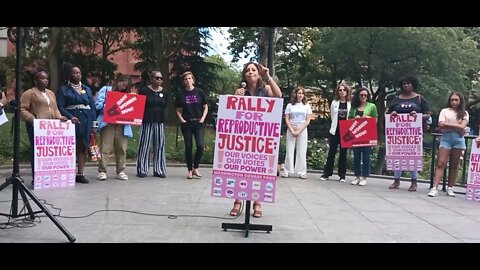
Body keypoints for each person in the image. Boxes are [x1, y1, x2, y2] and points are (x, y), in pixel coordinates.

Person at [230, 62, 282, 218]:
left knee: (258, 171)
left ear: (258, 74)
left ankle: (257, 203)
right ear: (244, 75)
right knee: (240, 169)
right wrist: (235, 98)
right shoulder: (240, 91)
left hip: (261, 137)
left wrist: (268, 77)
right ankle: (237, 202)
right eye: (247, 70)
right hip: (243, 136)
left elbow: (278, 96)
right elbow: (232, 113)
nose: (250, 72)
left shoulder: (264, 90)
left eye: (253, 70)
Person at [20, 68, 68, 182]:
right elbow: (22, 109)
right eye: (42, 78)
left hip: (50, 127)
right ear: (35, 80)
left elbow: (55, 109)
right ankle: (36, 177)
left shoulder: (50, 93)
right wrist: (33, 120)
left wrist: (61, 117)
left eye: (46, 78)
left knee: (49, 152)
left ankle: (48, 175)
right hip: (35, 126)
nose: (45, 80)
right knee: (37, 151)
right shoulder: (29, 93)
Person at [387, 75, 431, 191]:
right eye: (404, 83)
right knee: (398, 154)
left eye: (409, 83)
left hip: (414, 133)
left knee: (413, 155)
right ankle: (396, 180)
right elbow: (388, 113)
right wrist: (392, 114)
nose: (406, 85)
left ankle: (414, 182)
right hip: (398, 133)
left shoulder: (419, 98)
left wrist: (418, 116)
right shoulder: (396, 98)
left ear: (413, 85)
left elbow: (428, 114)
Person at [56, 63, 96, 184]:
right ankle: (68, 172)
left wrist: (94, 123)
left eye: (79, 73)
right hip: (72, 119)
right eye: (75, 73)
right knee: (70, 146)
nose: (78, 75)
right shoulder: (63, 89)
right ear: (69, 74)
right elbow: (60, 107)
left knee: (83, 146)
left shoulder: (86, 89)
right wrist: (70, 116)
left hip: (86, 118)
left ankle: (80, 173)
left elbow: (92, 106)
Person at [428, 92, 469, 197]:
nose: (454, 102)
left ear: (460, 101)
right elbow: (441, 125)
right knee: (441, 163)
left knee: (454, 164)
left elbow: (462, 126)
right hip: (446, 138)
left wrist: (448, 125)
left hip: (458, 140)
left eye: (456, 100)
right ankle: (435, 187)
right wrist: (458, 126)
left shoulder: (464, 113)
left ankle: (450, 187)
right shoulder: (445, 111)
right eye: (452, 100)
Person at [95, 74, 133, 181]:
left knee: (122, 148)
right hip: (108, 123)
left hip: (122, 124)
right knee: (105, 147)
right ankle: (102, 171)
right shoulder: (106, 90)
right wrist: (111, 105)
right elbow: (98, 105)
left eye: (127, 86)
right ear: (118, 81)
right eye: (123, 85)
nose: (124, 88)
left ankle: (121, 171)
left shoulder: (127, 95)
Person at [175, 71, 208, 179]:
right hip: (187, 123)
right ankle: (189, 170)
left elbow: (205, 106)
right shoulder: (181, 94)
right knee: (188, 147)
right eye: (185, 79)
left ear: (193, 80)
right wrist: (181, 119)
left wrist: (203, 118)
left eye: (189, 78)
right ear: (183, 82)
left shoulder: (199, 92)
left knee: (200, 146)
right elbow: (177, 109)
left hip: (198, 122)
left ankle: (196, 168)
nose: (188, 81)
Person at [136, 70, 169, 178]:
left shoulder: (165, 92)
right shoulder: (144, 91)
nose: (159, 80)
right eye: (157, 78)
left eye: (161, 78)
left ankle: (159, 170)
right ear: (151, 79)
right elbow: (138, 105)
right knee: (144, 145)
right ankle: (142, 169)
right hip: (146, 121)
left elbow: (165, 105)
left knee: (160, 145)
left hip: (159, 121)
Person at [320, 83, 351, 182]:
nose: (342, 92)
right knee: (332, 152)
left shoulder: (350, 103)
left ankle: (342, 175)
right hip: (335, 129)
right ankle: (327, 173)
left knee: (343, 153)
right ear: (338, 91)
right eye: (340, 90)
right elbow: (333, 116)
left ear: (347, 92)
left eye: (344, 90)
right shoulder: (334, 102)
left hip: (346, 130)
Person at [348, 87, 377, 186]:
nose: (364, 97)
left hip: (367, 134)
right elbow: (348, 121)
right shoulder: (353, 107)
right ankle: (357, 176)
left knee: (366, 157)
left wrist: (368, 118)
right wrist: (354, 119)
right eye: (361, 95)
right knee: (356, 157)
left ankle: (364, 177)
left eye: (365, 95)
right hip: (356, 134)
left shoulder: (372, 106)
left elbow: (375, 120)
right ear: (358, 96)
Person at [281, 86, 312, 179]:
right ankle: (287, 170)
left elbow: (308, 120)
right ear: (295, 94)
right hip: (291, 128)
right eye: (299, 93)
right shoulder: (290, 105)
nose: (301, 95)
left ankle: (302, 171)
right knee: (289, 149)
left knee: (302, 150)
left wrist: (299, 130)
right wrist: (292, 129)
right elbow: (287, 118)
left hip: (302, 129)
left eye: (302, 93)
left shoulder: (306, 106)